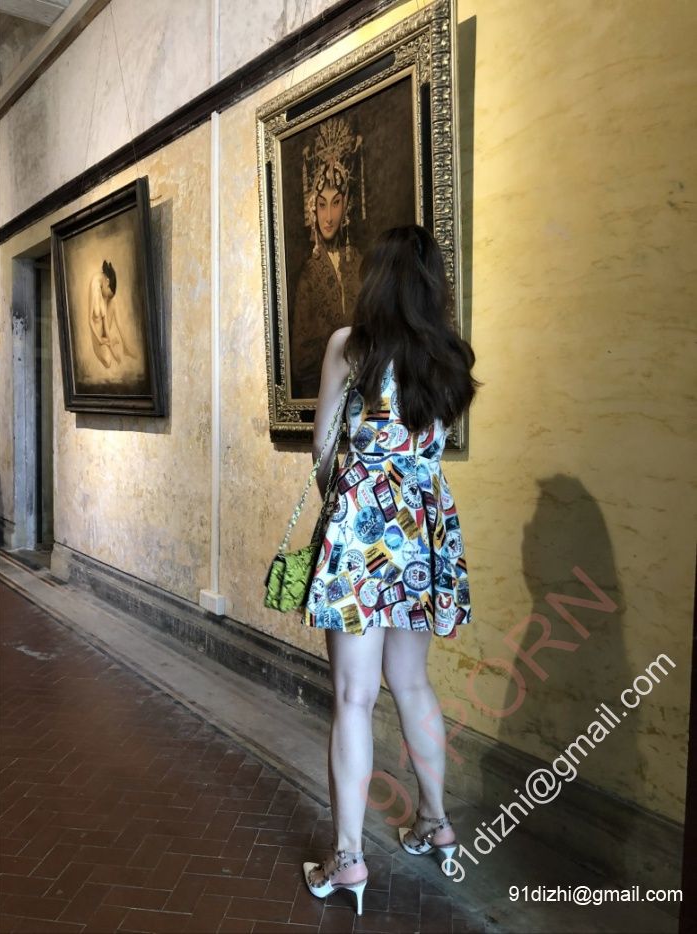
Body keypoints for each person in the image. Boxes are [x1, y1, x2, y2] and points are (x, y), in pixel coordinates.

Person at [301, 225, 480, 915]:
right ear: (433, 285)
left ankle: (348, 859)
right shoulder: (448, 357)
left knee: (354, 696)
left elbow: (323, 452)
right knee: (411, 682)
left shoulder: (351, 347)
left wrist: (350, 508)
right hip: (424, 531)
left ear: (375, 278)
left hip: (362, 529)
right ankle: (435, 822)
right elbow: (432, 446)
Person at [289, 117, 364, 399]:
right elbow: (301, 359)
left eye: (335, 204)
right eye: (322, 205)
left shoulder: (359, 263)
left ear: (347, 206)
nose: (328, 217)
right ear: (313, 209)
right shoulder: (309, 273)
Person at [88, 260, 137, 368]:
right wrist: (103, 341)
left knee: (114, 301)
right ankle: (110, 343)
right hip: (98, 340)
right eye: (108, 294)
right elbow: (90, 321)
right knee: (108, 362)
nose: (108, 297)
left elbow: (105, 325)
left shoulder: (102, 288)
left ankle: (126, 346)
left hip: (104, 336)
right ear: (107, 281)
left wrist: (113, 351)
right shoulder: (95, 289)